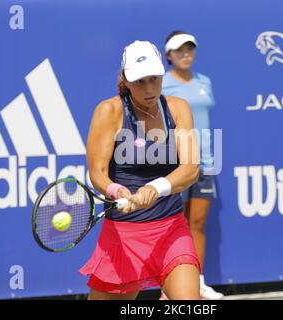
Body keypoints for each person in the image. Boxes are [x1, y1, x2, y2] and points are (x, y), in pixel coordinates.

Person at [79, 40, 202, 300]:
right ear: (125, 79)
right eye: (139, 82)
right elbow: (97, 172)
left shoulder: (178, 109)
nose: (149, 88)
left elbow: (190, 169)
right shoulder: (108, 111)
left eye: (154, 79)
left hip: (171, 231)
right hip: (123, 237)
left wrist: (154, 188)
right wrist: (116, 190)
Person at [161, 31, 224, 300]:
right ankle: (170, 287)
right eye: (179, 50)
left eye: (190, 49)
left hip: (206, 162)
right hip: (174, 163)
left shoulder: (204, 81)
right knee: (174, 225)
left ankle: (196, 283)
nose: (186, 54)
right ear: (169, 56)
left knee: (197, 222)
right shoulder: (160, 84)